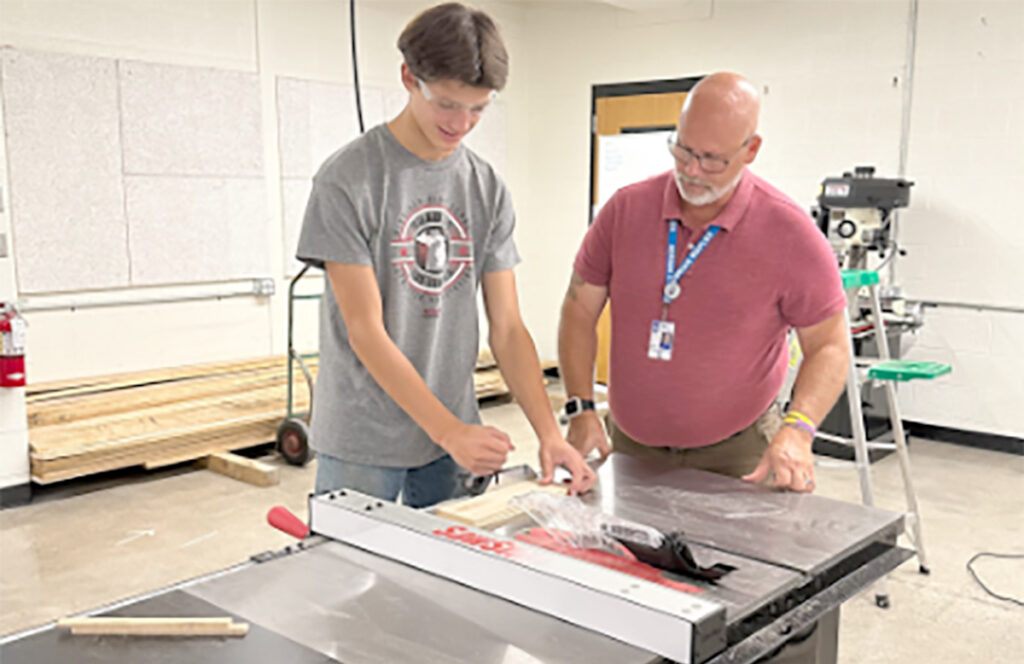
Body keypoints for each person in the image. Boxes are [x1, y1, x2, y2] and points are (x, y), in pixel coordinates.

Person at [297, 2, 594, 507]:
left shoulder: (485, 187)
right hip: (365, 437)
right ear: (409, 77)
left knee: (447, 578)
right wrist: (447, 431)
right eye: (448, 104)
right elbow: (365, 332)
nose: (462, 123)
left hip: (454, 435)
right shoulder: (348, 180)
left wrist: (549, 433)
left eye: (478, 108)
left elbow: (507, 327)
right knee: (355, 579)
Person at [558, 72, 850, 495]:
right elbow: (579, 310)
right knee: (626, 558)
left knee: (738, 561)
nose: (692, 171)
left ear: (751, 150)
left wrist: (799, 428)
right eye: (683, 151)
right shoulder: (625, 210)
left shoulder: (790, 233)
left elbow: (830, 345)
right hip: (629, 445)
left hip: (740, 453)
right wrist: (581, 408)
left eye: (712, 159)